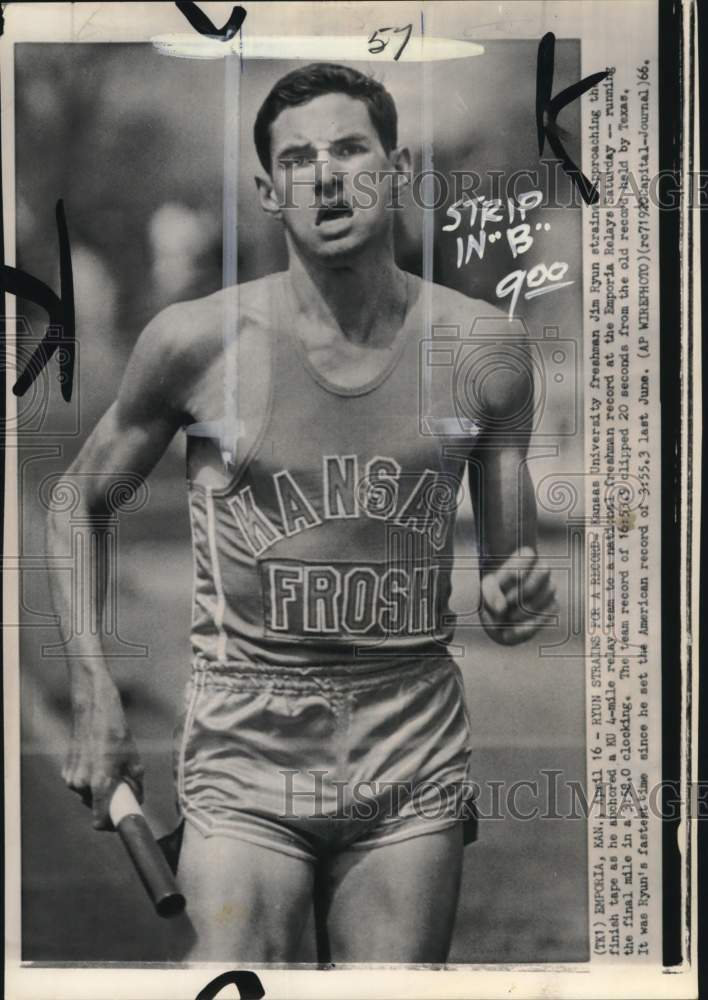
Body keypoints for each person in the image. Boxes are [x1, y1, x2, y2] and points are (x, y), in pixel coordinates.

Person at [48, 63, 556, 963]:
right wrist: (94, 690)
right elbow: (76, 502)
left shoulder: (487, 349)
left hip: (411, 762)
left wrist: (515, 599)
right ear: (267, 190)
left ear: (396, 167)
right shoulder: (197, 342)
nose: (326, 175)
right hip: (247, 759)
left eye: (351, 149)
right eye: (298, 158)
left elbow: (505, 594)